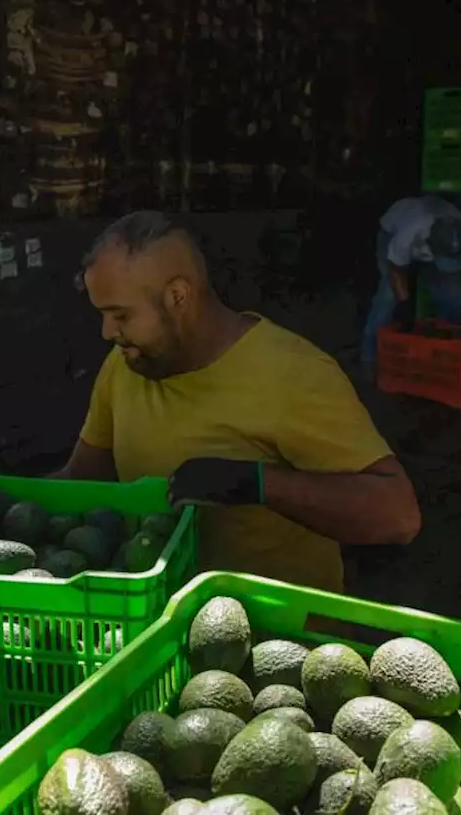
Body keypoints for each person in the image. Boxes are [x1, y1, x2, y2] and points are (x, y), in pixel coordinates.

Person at [53, 211, 421, 594]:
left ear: (178, 296)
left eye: (120, 315)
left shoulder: (292, 373)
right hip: (160, 621)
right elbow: (81, 479)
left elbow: (398, 515)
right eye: (102, 314)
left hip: (276, 640)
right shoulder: (125, 365)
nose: (107, 332)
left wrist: (258, 483)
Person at [360, 195, 461, 365]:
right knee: (388, 295)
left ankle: (447, 355)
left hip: (432, 242)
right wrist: (404, 302)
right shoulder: (410, 231)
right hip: (391, 232)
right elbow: (396, 268)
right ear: (429, 244)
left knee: (453, 295)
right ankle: (369, 357)